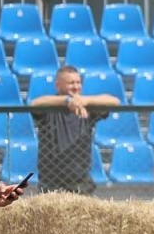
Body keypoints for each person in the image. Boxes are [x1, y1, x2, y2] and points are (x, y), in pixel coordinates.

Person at [30, 64, 121, 194]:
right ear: (58, 85)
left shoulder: (86, 107)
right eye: (71, 83)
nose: (76, 86)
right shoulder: (49, 107)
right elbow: (35, 103)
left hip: (81, 183)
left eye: (78, 82)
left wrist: (85, 101)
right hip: (51, 183)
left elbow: (115, 101)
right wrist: (67, 101)